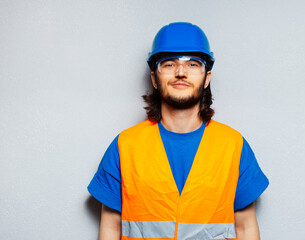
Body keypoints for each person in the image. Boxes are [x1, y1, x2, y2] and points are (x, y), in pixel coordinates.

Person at [88, 22, 269, 240]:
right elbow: (110, 229)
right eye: (169, 64)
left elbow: (246, 228)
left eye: (193, 64)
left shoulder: (233, 145)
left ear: (206, 78)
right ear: (154, 78)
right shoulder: (125, 146)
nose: (181, 72)